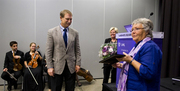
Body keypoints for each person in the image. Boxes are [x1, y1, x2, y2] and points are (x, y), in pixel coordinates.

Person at [112, 18, 162, 91]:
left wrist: (130, 60)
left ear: (147, 31)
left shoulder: (150, 47)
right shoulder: (137, 46)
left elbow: (148, 73)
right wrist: (121, 65)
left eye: (137, 29)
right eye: (132, 30)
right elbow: (135, 66)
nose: (133, 32)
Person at [46, 9, 81, 91]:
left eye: (71, 19)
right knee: (56, 88)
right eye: (67, 19)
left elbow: (78, 50)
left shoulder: (75, 33)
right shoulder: (52, 32)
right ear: (61, 18)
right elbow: (48, 51)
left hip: (71, 66)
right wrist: (50, 66)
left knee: (70, 88)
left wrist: (78, 63)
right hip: (57, 66)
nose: (69, 21)